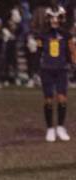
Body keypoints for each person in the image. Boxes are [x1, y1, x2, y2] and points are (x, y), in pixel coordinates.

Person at [37, 6, 76, 142]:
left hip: (61, 70)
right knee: (48, 99)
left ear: (61, 18)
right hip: (46, 69)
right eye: (52, 17)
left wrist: (74, 64)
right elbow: (38, 53)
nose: (54, 20)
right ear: (48, 18)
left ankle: (60, 126)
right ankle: (50, 128)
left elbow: (72, 52)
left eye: (57, 17)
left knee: (62, 98)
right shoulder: (42, 35)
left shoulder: (67, 35)